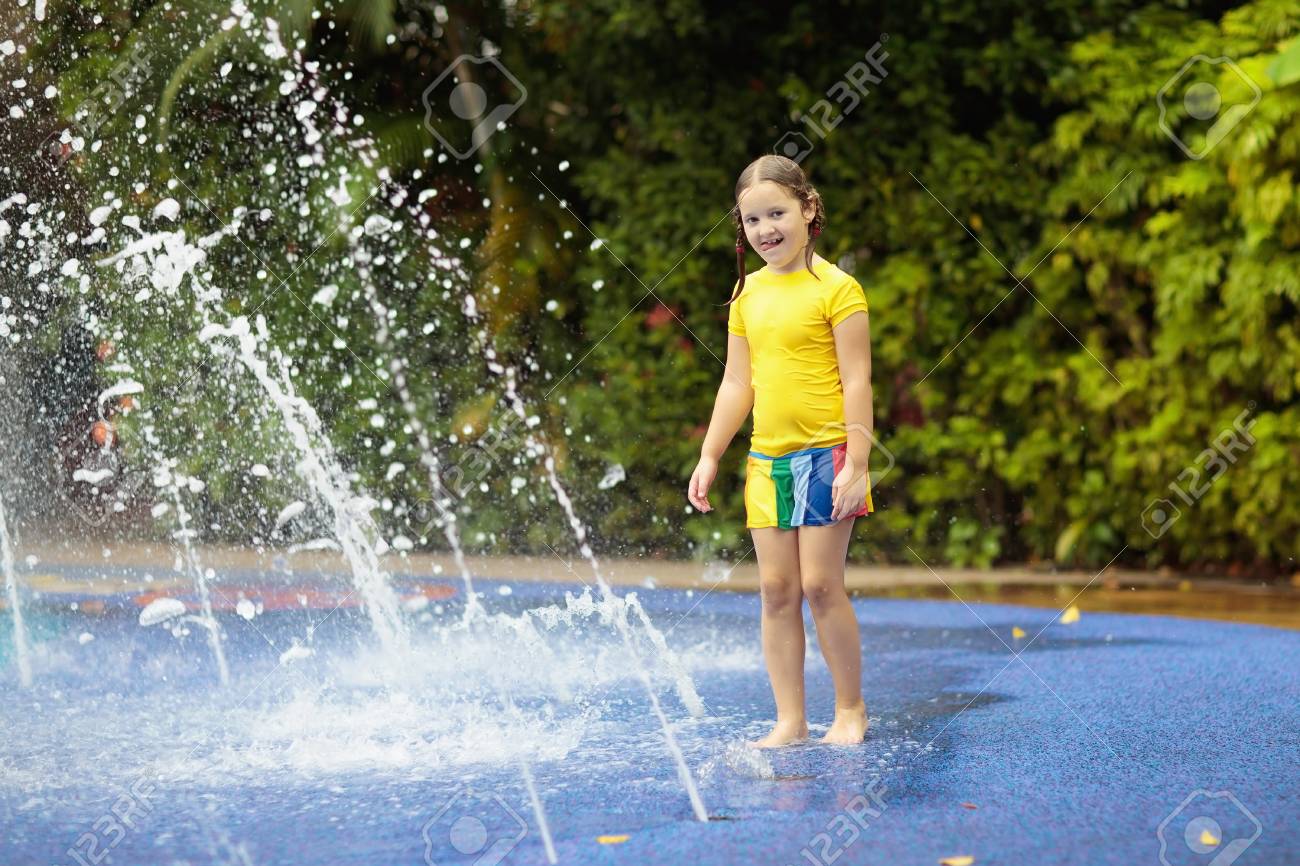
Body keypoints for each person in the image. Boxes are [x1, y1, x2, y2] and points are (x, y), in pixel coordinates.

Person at [688, 154, 875, 747]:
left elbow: (858, 381)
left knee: (820, 585)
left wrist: (859, 463)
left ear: (808, 208)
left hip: (828, 456)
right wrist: (711, 454)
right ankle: (791, 720)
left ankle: (850, 710)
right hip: (767, 462)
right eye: (752, 219)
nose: (765, 229)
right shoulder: (746, 294)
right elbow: (736, 382)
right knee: (776, 591)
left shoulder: (838, 290)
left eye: (777, 213)